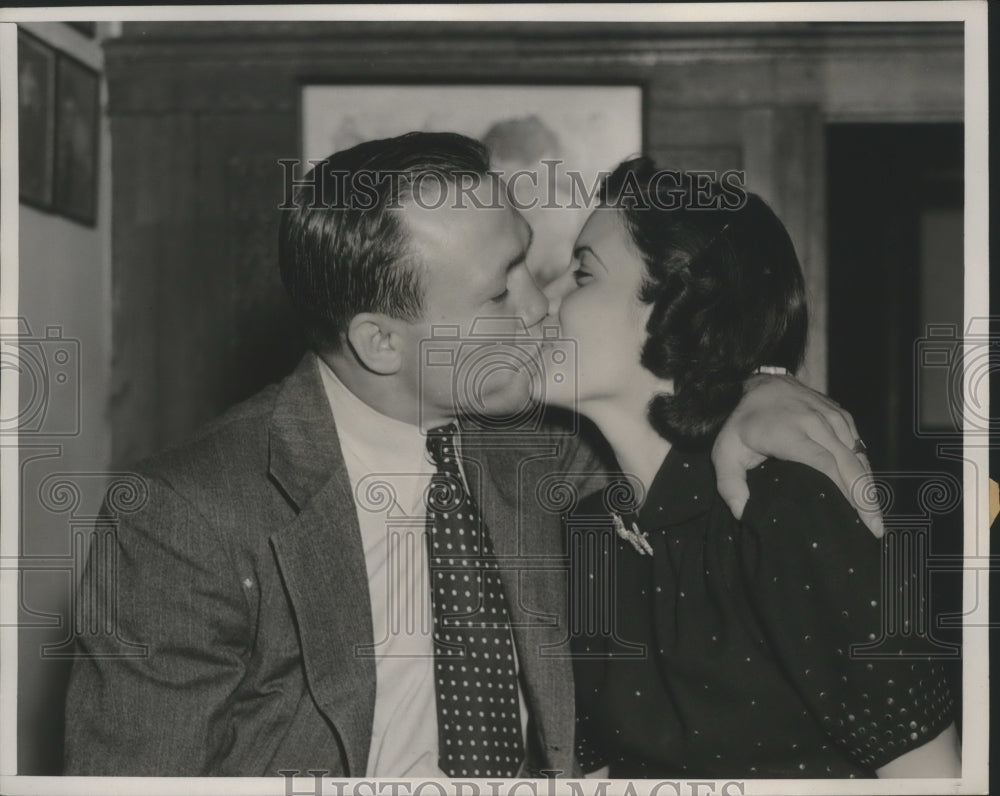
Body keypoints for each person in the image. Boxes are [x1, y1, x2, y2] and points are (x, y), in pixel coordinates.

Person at [63, 133, 877, 777]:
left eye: (529, 256)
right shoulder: (184, 519)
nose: (541, 305)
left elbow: (680, 397)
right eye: (499, 292)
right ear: (380, 342)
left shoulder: (560, 442)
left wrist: (763, 382)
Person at [541, 157, 961, 778]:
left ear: (680, 306)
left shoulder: (790, 505)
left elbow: (929, 778)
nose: (543, 300)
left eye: (581, 275)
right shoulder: (590, 530)